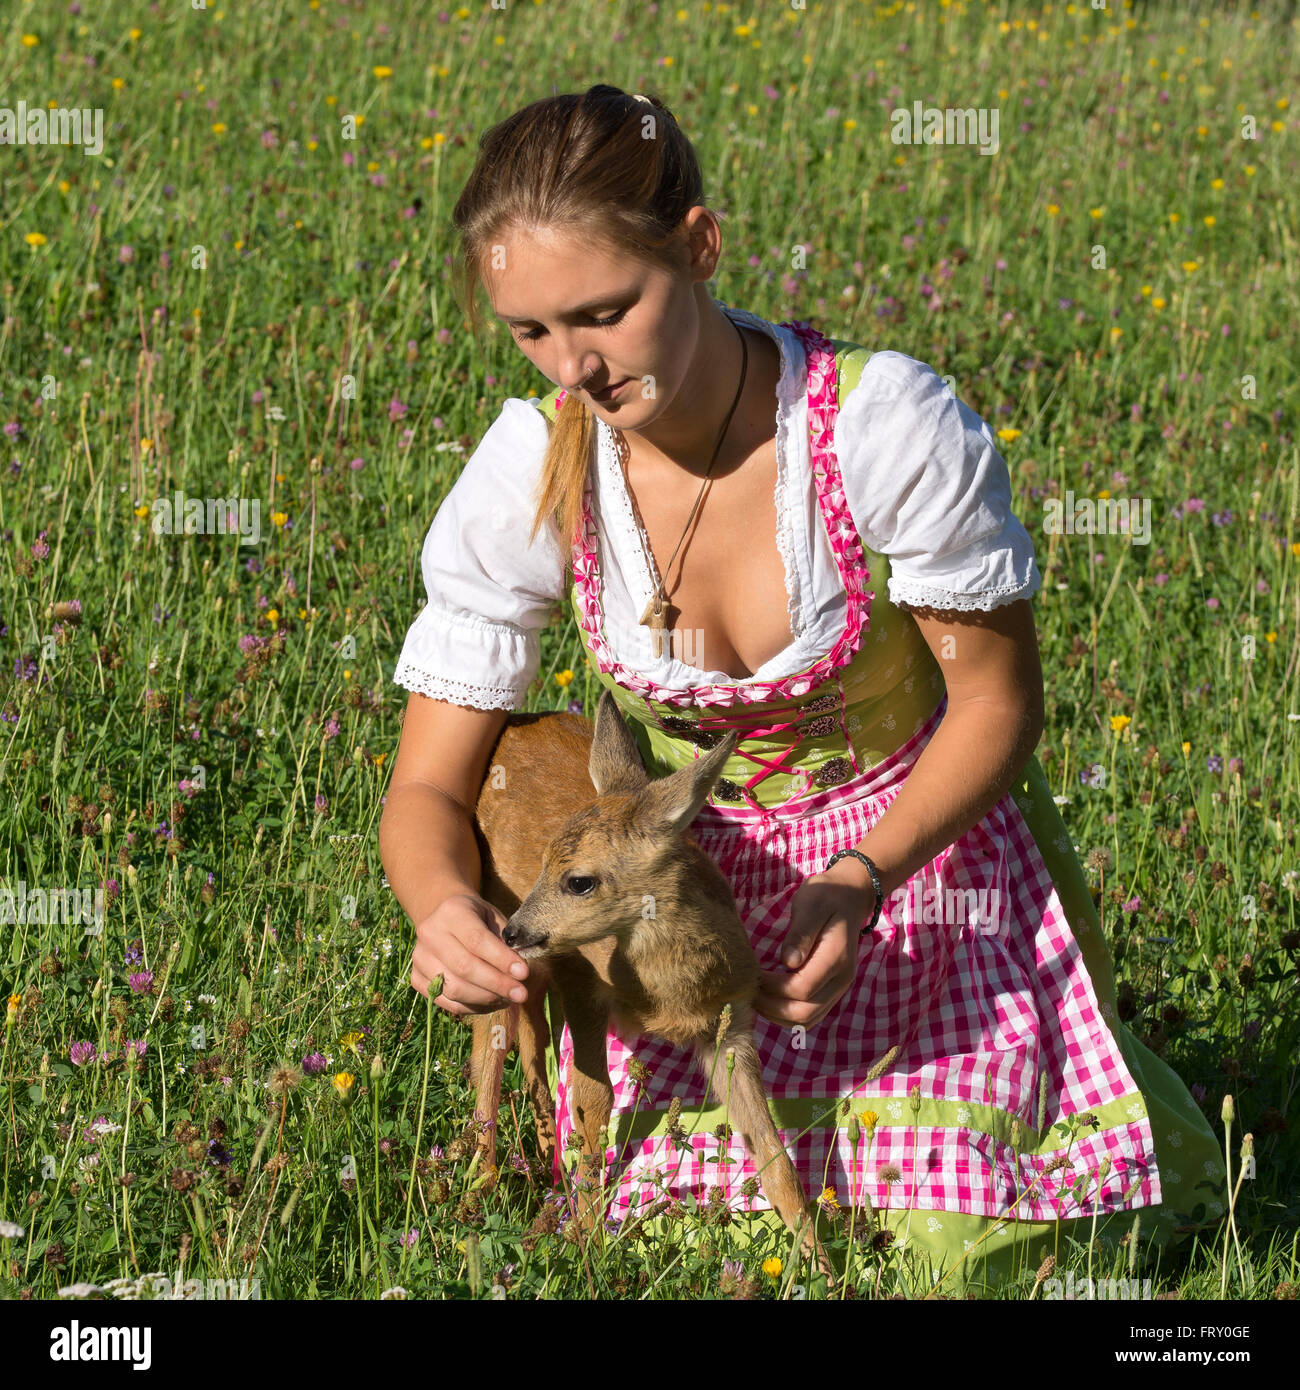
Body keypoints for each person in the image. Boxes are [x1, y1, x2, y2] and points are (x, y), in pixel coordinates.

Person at [380, 84, 1225, 1292]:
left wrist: (859, 875)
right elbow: (426, 785)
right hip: (687, 914)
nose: (574, 367)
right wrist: (441, 910)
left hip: (915, 868)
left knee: (962, 1247)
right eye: (529, 331)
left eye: (605, 314)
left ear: (701, 246)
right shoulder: (533, 474)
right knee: (689, 1238)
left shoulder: (875, 427)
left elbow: (995, 706)